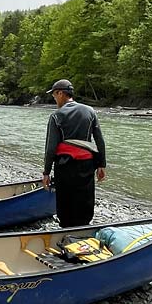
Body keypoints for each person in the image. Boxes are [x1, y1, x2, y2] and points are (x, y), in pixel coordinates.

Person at [42, 79, 106, 227]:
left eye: (54, 95)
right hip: (87, 164)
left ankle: (66, 228)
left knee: (66, 200)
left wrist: (46, 172)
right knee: (85, 197)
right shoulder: (90, 111)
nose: (54, 98)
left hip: (65, 165)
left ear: (61, 93)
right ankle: (84, 227)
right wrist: (101, 165)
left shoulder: (56, 116)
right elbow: (99, 140)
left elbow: (51, 147)